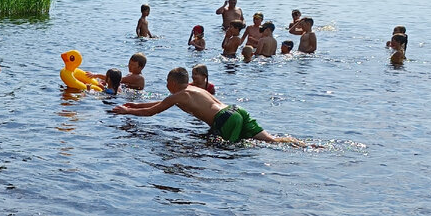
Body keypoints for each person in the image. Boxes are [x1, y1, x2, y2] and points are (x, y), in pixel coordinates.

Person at [113, 66, 304, 146]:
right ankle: (302, 144)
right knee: (271, 141)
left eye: (166, 82)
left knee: (229, 149)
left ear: (172, 83)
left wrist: (127, 111)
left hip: (225, 119)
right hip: (237, 111)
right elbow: (161, 103)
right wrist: (136, 104)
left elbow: (153, 111)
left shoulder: (180, 95)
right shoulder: (193, 90)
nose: (165, 85)